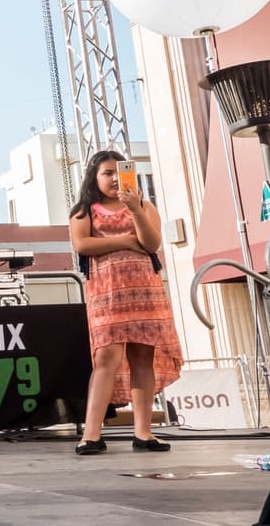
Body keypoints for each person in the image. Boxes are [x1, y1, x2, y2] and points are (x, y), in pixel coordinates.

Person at [69, 150, 183, 456]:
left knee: (142, 357)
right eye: (107, 172)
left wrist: (134, 209)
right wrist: (124, 241)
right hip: (107, 292)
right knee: (106, 356)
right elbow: (82, 244)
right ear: (94, 176)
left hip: (145, 289)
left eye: (120, 171)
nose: (114, 178)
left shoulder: (143, 205)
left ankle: (143, 432)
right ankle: (92, 434)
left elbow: (151, 243)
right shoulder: (84, 210)